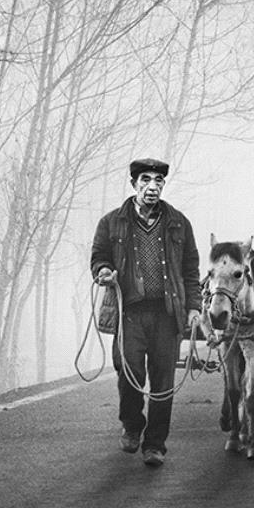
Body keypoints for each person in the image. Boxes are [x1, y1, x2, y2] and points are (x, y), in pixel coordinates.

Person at [89, 157, 203, 468]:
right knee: (129, 372)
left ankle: (155, 445)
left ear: (164, 185)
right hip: (129, 312)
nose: (152, 187)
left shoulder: (179, 222)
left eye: (158, 181)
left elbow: (191, 269)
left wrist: (193, 307)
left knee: (163, 381)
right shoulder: (112, 222)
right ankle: (132, 424)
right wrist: (103, 271)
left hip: (167, 314)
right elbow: (99, 257)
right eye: (146, 181)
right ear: (134, 184)